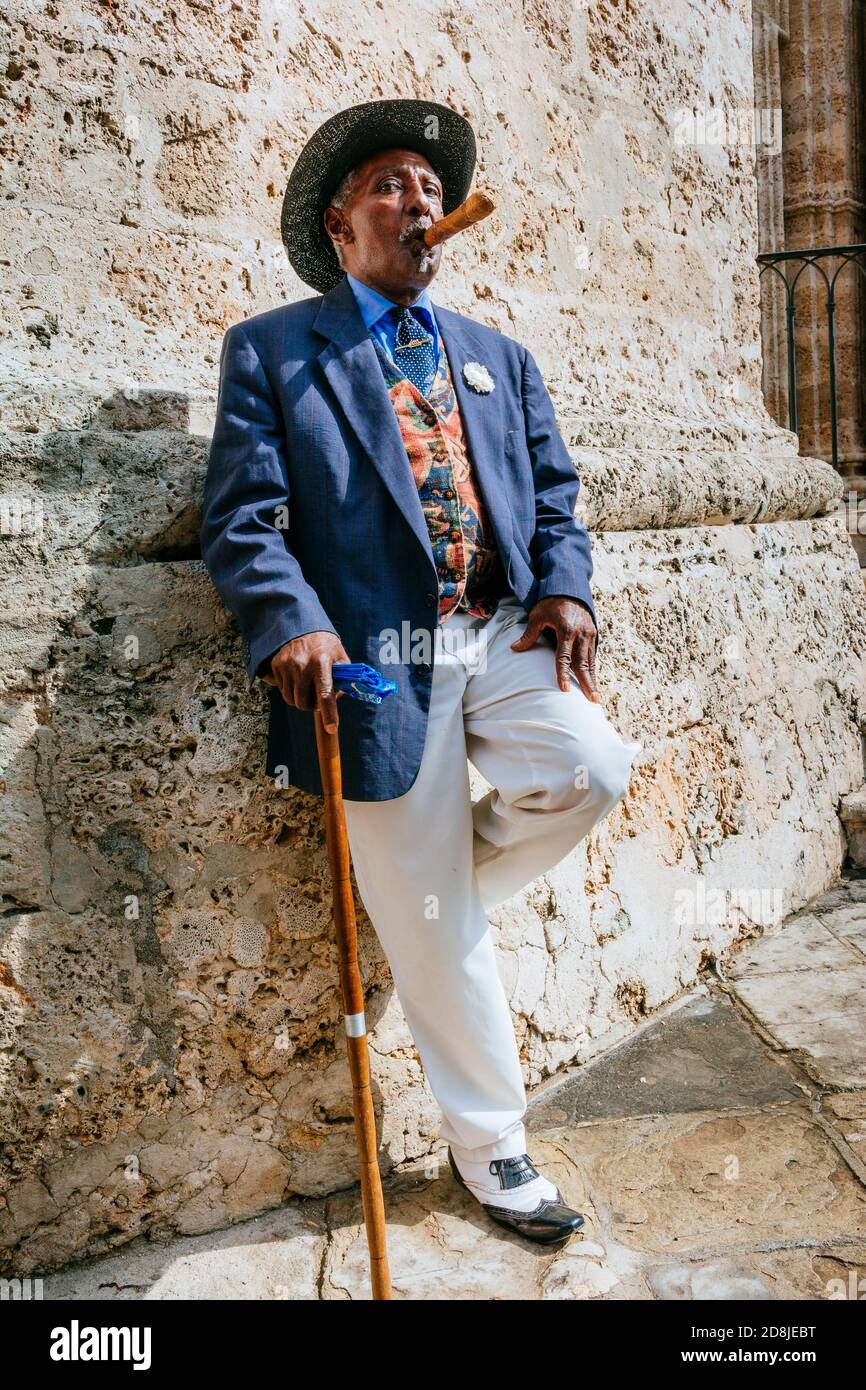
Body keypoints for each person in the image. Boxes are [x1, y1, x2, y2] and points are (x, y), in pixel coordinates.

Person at [201, 99, 641, 1247]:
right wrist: (292, 622)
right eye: (392, 186)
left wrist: (566, 587)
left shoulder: (498, 358)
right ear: (342, 225)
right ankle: (495, 1148)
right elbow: (245, 519)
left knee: (589, 766)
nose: (421, 204)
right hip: (373, 665)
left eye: (430, 190)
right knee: (434, 906)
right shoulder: (273, 350)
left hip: (493, 631)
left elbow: (554, 499)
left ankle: (423, 907)